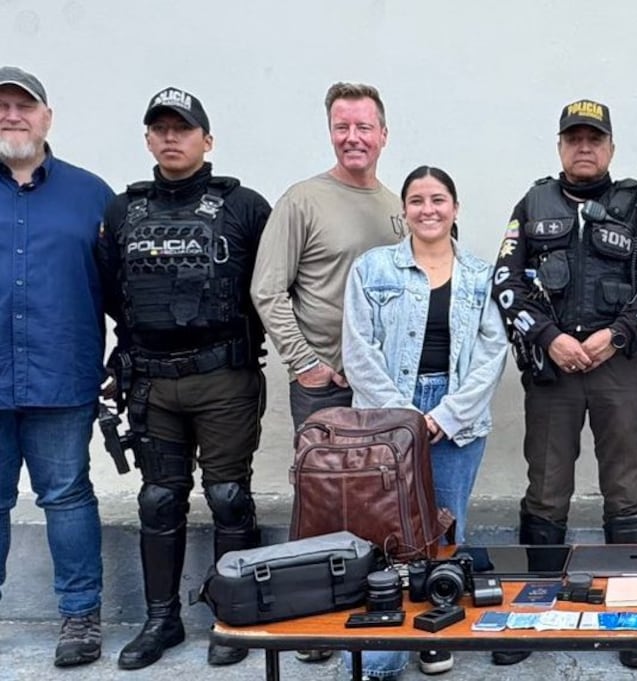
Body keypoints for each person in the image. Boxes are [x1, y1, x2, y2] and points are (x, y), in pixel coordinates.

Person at [492, 98, 637, 670]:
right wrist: (548, 336)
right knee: (546, 489)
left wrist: (617, 335)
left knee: (625, 487)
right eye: (574, 138)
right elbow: (506, 280)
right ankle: (529, 615)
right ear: (560, 147)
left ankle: (632, 617)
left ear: (611, 147)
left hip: (618, 368)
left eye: (595, 138)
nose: (585, 147)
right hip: (553, 369)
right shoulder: (532, 204)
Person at [96, 87, 271, 670]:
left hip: (222, 375)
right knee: (159, 499)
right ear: (148, 138)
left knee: (228, 498)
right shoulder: (123, 211)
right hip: (152, 381)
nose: (172, 137)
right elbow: (109, 291)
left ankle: (233, 618)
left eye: (184, 128)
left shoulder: (245, 206)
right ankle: (161, 619)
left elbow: (268, 290)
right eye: (161, 128)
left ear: (207, 140)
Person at [250, 81, 402, 670]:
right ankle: (311, 621)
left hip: (379, 388)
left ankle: (372, 608)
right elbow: (268, 288)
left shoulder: (396, 205)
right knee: (318, 503)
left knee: (376, 500)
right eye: (342, 126)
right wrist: (303, 360)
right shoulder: (303, 200)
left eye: (364, 126)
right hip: (323, 385)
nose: (353, 137)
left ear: (383, 134)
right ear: (330, 132)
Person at [342, 165, 508, 677]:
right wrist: (407, 416)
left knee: (445, 530)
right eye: (417, 200)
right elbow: (358, 349)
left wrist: (445, 414)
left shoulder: (481, 276)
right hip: (389, 414)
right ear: (405, 211)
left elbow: (491, 353)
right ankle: (384, 654)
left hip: (456, 420)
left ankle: (437, 629)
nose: (428, 209)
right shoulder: (373, 270)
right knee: (384, 534)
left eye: (438, 200)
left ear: (455, 209)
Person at [0, 65, 113, 669]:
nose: (12, 116)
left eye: (24, 106)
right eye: (2, 107)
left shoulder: (91, 194)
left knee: (67, 498)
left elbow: (119, 286)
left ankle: (80, 617)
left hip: (61, 375)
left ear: (46, 117)